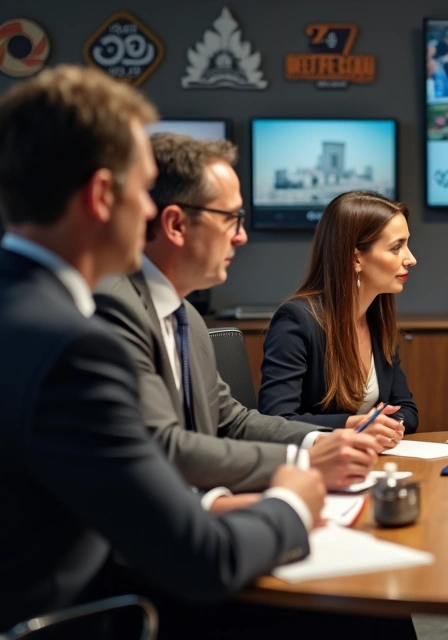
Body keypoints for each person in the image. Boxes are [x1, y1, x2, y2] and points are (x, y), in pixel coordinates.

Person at [0, 65, 322, 632]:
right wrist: (293, 501)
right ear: (103, 195)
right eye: (142, 191)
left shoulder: (28, 314)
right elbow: (204, 559)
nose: (150, 212)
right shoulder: (73, 347)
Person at [93, 133, 389, 500]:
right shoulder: (114, 308)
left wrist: (321, 441)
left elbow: (232, 419)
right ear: (175, 225)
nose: (242, 237)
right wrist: (304, 462)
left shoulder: (185, 315)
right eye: (231, 218)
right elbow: (163, 445)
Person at [260, 191, 420, 437]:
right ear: (356, 258)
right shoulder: (296, 320)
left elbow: (407, 411)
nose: (411, 259)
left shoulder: (377, 320)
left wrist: (384, 426)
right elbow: (276, 420)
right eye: (396, 248)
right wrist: (355, 425)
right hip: (311, 468)